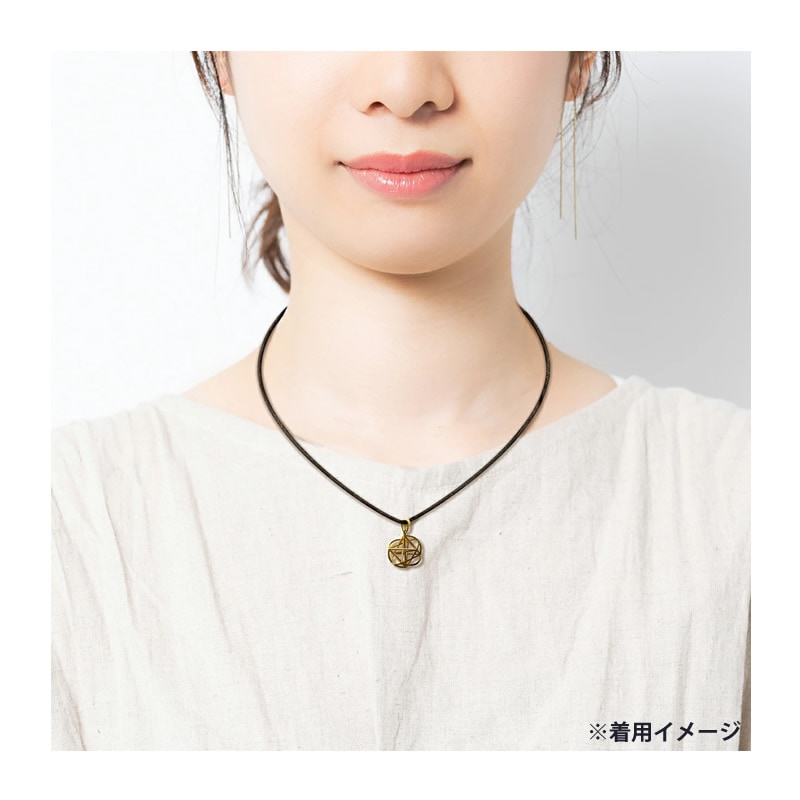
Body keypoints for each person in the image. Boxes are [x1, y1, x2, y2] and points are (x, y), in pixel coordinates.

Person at [51, 52, 750, 750]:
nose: (406, 86)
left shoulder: (739, 502)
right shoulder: (67, 524)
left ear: (579, 58)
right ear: (221, 51)